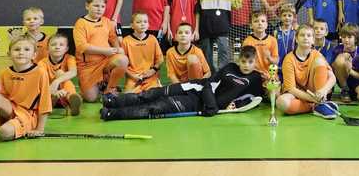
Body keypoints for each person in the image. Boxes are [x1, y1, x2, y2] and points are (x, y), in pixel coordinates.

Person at [100, 46, 265, 120]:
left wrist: (234, 105)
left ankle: (111, 114)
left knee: (156, 107)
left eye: (250, 62)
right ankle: (112, 101)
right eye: (243, 61)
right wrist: (212, 105)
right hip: (196, 87)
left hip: (196, 103)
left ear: (255, 62)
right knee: (151, 94)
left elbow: (255, 99)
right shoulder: (230, 67)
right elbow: (209, 84)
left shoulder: (255, 78)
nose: (246, 65)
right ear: (238, 59)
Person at [73, 0, 129, 102]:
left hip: (105, 61)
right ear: (87, 6)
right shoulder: (80, 23)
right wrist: (105, 51)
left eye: (102, 6)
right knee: (91, 98)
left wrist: (118, 49)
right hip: (88, 66)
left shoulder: (106, 21)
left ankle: (109, 89)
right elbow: (82, 47)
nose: (99, 9)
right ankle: (93, 85)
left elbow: (113, 38)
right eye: (96, 6)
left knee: (123, 59)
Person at [277, 24, 339, 119]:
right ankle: (315, 106)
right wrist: (313, 99)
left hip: (316, 92)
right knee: (281, 102)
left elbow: (332, 78)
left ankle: (320, 105)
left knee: (319, 61)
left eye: (309, 35)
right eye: (302, 35)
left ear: (313, 40)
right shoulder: (289, 59)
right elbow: (291, 89)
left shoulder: (317, 55)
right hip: (299, 95)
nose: (305, 38)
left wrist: (323, 90)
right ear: (296, 39)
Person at [196, 0, 246, 73]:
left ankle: (222, 74)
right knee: (206, 55)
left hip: (222, 27)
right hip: (205, 28)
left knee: (224, 52)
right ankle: (210, 74)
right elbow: (198, 9)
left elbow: (236, 5)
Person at [38, 33, 82, 116]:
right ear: (47, 48)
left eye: (61, 45)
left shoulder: (70, 58)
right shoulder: (42, 63)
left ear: (66, 49)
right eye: (53, 45)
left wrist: (57, 81)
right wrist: (54, 91)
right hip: (49, 91)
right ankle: (51, 101)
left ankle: (72, 99)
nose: (57, 47)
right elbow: (42, 81)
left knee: (60, 73)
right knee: (58, 74)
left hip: (65, 93)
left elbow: (73, 72)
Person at [121, 12, 164, 93]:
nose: (142, 24)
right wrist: (132, 76)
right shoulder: (126, 41)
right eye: (138, 22)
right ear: (132, 25)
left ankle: (157, 83)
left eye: (145, 22)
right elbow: (122, 64)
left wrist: (153, 70)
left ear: (148, 25)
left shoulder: (152, 39)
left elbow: (160, 59)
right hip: (134, 77)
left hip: (150, 76)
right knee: (129, 97)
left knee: (154, 95)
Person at [330, 23, 359, 103]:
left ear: (356, 39)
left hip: (358, 83)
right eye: (344, 37)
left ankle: (354, 94)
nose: (346, 40)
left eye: (349, 37)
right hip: (343, 81)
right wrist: (342, 63)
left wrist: (349, 70)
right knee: (341, 58)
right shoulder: (337, 49)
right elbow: (332, 68)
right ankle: (345, 90)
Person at [242, 11, 279, 79]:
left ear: (267, 25)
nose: (260, 23)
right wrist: (257, 73)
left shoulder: (273, 40)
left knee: (274, 86)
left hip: (270, 76)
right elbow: (245, 62)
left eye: (263, 21)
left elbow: (276, 62)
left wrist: (269, 58)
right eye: (256, 21)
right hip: (253, 75)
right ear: (251, 25)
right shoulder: (247, 41)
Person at [274, 3, 297, 76]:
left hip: (291, 65)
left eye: (289, 15)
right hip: (278, 65)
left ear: (294, 17)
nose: (287, 18)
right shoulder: (276, 32)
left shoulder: (296, 32)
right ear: (280, 17)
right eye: (284, 15)